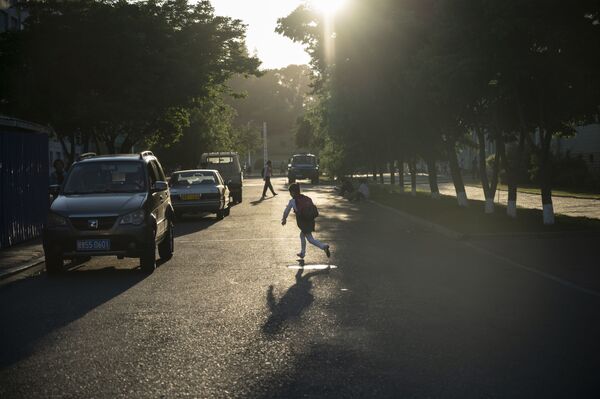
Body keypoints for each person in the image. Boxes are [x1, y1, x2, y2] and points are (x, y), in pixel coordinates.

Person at [281, 183, 330, 260]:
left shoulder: (293, 201)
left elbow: (286, 211)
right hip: (310, 220)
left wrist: (284, 219)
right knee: (302, 235)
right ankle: (302, 253)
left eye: (290, 192)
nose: (290, 194)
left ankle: (324, 246)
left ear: (293, 192)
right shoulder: (306, 198)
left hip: (303, 223)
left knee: (310, 239)